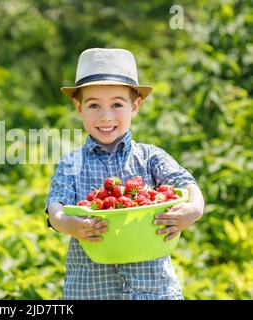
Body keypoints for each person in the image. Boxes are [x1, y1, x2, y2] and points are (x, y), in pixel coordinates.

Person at [45, 48, 205, 300]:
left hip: (154, 291)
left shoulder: (151, 157)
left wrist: (192, 211)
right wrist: (69, 224)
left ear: (135, 105)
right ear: (79, 108)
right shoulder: (71, 163)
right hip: (91, 291)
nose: (106, 116)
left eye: (117, 104)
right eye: (94, 105)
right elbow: (56, 207)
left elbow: (187, 185)